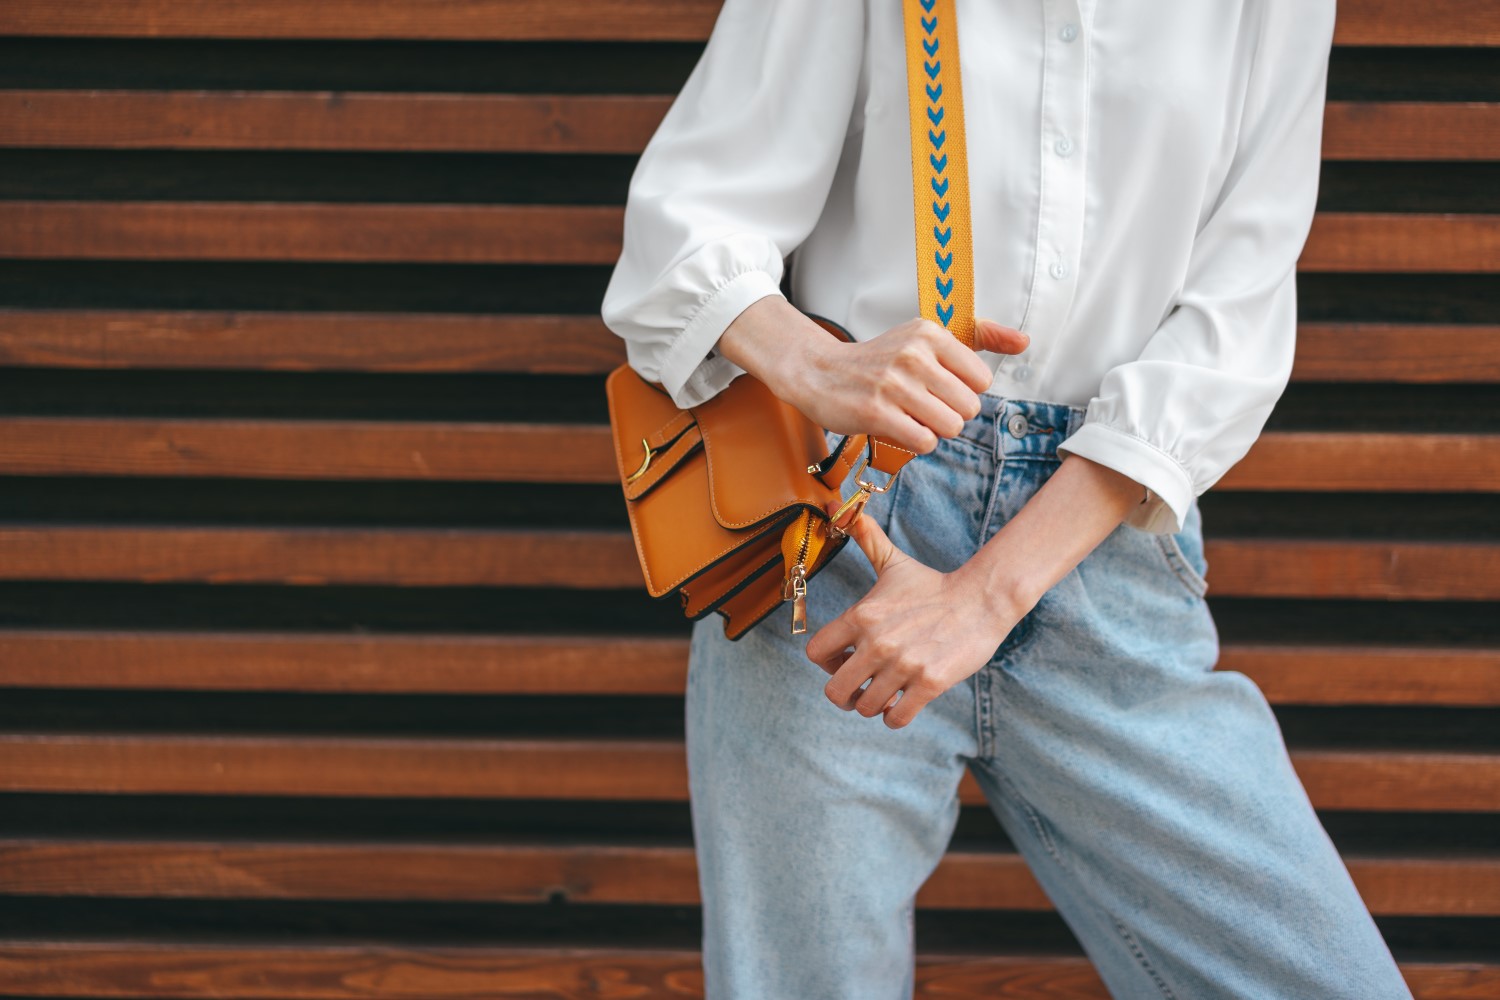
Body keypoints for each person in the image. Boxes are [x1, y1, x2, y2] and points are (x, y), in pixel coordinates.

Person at [600, 1, 1414, 997]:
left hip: (1100, 538)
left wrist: (986, 594)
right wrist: (822, 366)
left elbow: (1237, 316)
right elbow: (691, 217)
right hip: (851, 533)